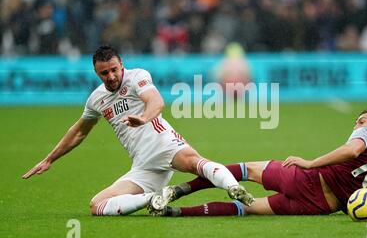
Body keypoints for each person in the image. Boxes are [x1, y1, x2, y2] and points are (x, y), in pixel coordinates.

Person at [22, 45, 254, 216]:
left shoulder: (137, 77)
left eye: (114, 69)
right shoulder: (96, 99)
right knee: (97, 205)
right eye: (104, 73)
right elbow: (79, 132)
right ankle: (154, 198)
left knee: (195, 163)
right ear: (96, 73)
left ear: (121, 64)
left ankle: (233, 187)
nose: (111, 76)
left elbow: (156, 101)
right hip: (142, 164)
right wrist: (50, 159)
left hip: (163, 143)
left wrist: (143, 117)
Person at [149, 110, 367, 217]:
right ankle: (175, 213)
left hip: (309, 179)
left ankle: (180, 189)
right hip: (319, 206)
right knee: (248, 208)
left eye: (362, 120)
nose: (357, 124)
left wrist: (311, 162)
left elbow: (350, 152)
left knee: (245, 170)